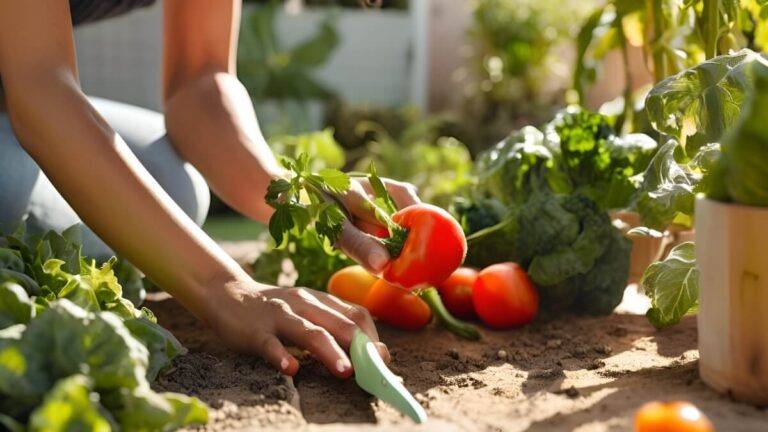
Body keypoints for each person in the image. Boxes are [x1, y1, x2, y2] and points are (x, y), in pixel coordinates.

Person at [0, 0, 420, 378]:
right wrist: (222, 287)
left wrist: (298, 196)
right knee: (11, 189)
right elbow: (41, 86)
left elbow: (200, 77)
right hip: (27, 90)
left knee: (175, 188)